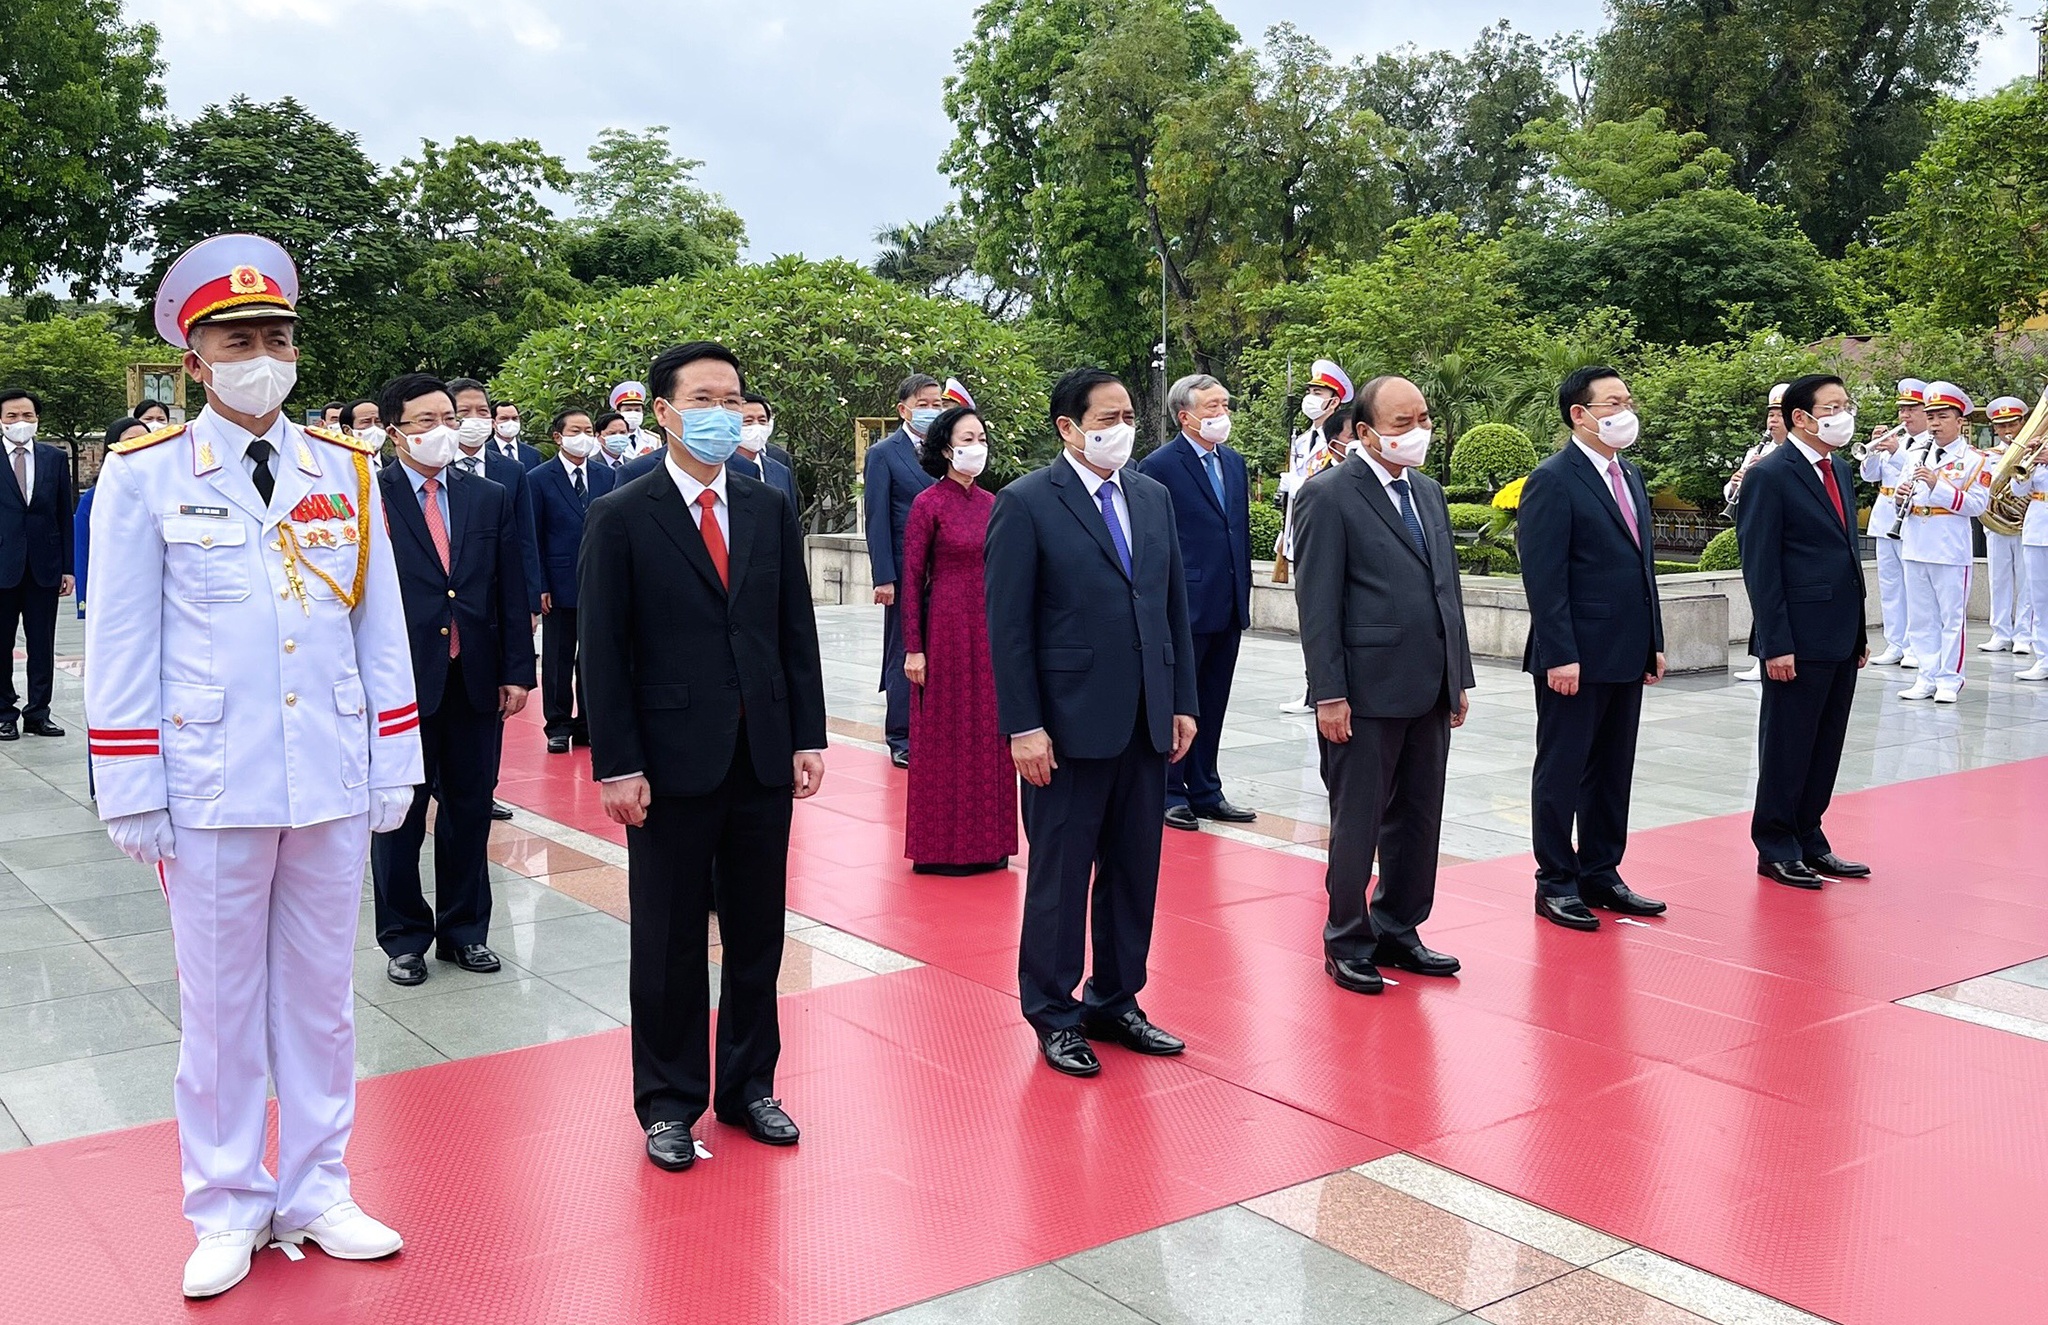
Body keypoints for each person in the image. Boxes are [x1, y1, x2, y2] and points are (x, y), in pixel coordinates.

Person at [86, 233, 422, 1297]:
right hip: (213, 783)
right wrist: (133, 782)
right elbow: (123, 640)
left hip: (324, 769)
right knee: (223, 1005)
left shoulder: (348, 467)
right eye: (238, 339)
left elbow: (380, 628)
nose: (263, 354)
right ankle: (228, 1198)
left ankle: (320, 1183)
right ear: (194, 359)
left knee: (323, 998)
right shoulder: (145, 477)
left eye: (277, 335)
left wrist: (392, 759)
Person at [580, 340, 826, 1170]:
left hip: (761, 751)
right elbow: (602, 651)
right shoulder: (621, 513)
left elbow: (794, 629)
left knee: (758, 932)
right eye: (704, 398)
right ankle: (669, 1101)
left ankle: (750, 1083)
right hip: (668, 760)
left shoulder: (765, 506)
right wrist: (616, 763)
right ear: (664, 411)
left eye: (734, 398)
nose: (722, 413)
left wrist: (808, 733)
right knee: (670, 937)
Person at [985, 367, 1196, 1078]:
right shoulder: (1025, 503)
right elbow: (1008, 627)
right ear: (1068, 428)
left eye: (1129, 414)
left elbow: (1172, 610)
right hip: (1065, 729)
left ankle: (1116, 998)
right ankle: (1053, 1010)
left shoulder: (1153, 497)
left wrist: (1182, 700)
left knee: (1135, 871)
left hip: (1143, 719)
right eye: (1107, 417)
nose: (1122, 428)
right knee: (1061, 876)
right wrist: (1024, 725)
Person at [1292, 375, 1473, 995]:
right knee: (1359, 819)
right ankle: (1347, 939)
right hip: (1363, 692)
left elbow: (1445, 590)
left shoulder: (1427, 492)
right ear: (1365, 432)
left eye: (1422, 418)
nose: (1417, 432)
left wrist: (1458, 676)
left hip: (1428, 684)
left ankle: (1399, 926)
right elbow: (1317, 606)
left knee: (1419, 816)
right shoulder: (1328, 496)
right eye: (1402, 424)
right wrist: (1330, 693)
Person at [370, 373, 535, 985]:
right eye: (424, 421)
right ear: (394, 433)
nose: (442, 429)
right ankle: (404, 937)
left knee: (468, 810)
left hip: (474, 678)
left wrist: (518, 669)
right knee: (401, 815)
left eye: (449, 417)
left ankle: (465, 931)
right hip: (400, 683)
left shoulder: (486, 495)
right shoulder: (368, 494)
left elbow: (508, 588)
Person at [1517, 368, 1668, 931]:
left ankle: (1601, 870)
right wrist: (1560, 653)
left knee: (1611, 768)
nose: (1625, 410)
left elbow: (1643, 567)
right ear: (1579, 414)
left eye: (1627, 400)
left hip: (1626, 650)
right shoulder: (1553, 480)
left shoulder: (1628, 474)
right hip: (1574, 654)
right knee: (1563, 769)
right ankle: (1555, 881)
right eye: (1612, 402)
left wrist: (1653, 640)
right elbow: (1545, 576)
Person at [1735, 374, 1871, 889]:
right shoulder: (1770, 475)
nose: (1843, 414)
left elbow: (1846, 556)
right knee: (1788, 743)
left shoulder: (1836, 466)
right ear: (1801, 418)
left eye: (1845, 403)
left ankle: (1810, 836)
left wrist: (1858, 633)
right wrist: (1776, 643)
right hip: (1796, 636)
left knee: (1824, 743)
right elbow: (1761, 567)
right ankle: (1775, 844)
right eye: (1831, 406)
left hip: (1839, 632)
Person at [899, 399, 1015, 875]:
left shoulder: (996, 503)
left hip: (991, 628)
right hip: (944, 627)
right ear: (945, 449)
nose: (977, 448)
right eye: (968, 440)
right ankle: (940, 847)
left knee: (992, 735)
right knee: (944, 735)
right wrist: (913, 648)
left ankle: (991, 844)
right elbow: (911, 577)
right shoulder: (928, 504)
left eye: (982, 440)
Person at [1137, 373, 1256, 832]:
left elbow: (1235, 531)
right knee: (1177, 700)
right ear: (1185, 416)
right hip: (1185, 602)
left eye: (1225, 405)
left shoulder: (1235, 463)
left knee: (1214, 697)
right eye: (1211, 408)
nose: (1222, 415)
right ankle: (1169, 790)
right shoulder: (1160, 466)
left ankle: (1206, 788)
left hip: (1227, 601)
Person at [449, 377, 541, 821]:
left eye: (481, 412)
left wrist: (529, 599)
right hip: (441, 614)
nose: (475, 421)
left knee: (491, 704)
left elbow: (524, 540)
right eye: (463, 413)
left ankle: (485, 787)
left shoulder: (509, 472)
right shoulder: (429, 466)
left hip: (492, 610)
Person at [865, 374, 942, 767]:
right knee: (903, 650)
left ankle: (934, 725)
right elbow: (876, 516)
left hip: (943, 568)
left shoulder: (946, 448)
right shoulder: (884, 453)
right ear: (904, 409)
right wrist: (884, 576)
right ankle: (901, 734)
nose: (932, 411)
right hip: (904, 568)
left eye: (937, 404)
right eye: (924, 403)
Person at [1898, 381, 1992, 703]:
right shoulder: (1913, 454)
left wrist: (1938, 486)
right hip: (1915, 541)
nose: (1935, 424)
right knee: (1921, 616)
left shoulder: (1976, 460)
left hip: (1949, 546)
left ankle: (1950, 679)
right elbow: (1903, 494)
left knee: (1951, 617)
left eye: (1942, 416)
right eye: (1932, 416)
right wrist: (1901, 499)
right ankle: (1927, 675)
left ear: (1959, 420)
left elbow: (1977, 505)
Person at [530, 407, 614, 752]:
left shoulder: (606, 476)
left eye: (589, 430)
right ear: (558, 437)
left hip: (599, 580)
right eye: (575, 430)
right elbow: (532, 535)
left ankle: (588, 723)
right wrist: (540, 585)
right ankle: (558, 723)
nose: (584, 436)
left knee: (594, 656)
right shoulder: (537, 478)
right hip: (559, 580)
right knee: (558, 658)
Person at [0, 387, 76, 740]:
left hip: (44, 565)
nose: (20, 422)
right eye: (12, 416)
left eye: (27, 416)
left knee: (42, 645)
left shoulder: (53, 458)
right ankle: (4, 712)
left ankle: (38, 713)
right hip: (3, 563)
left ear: (37, 419)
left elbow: (64, 514)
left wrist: (68, 567)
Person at [1276, 359, 1352, 713]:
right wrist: (1284, 532)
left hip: (1331, 537)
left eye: (1318, 392)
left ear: (1334, 401)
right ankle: (1314, 687)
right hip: (1300, 535)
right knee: (1310, 615)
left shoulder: (1341, 439)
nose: (1310, 398)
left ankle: (1328, 688)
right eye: (1309, 391)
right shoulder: (1301, 440)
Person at [1861, 379, 1929, 668]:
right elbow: (1869, 476)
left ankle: (1916, 646)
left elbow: (1918, 472)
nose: (1905, 416)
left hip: (1914, 520)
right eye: (1902, 409)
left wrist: (1895, 451)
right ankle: (1895, 642)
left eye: (1911, 409)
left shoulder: (1932, 442)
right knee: (1889, 585)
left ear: (1927, 411)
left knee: (1913, 586)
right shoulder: (1896, 440)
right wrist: (1874, 450)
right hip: (1884, 518)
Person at [1724, 383, 1788, 682]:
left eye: (1778, 414)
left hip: (1781, 532)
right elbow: (1730, 492)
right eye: (1770, 414)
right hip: (1756, 528)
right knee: (1758, 594)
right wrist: (1738, 481)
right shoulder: (1757, 450)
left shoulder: (1793, 453)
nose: (1772, 420)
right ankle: (1760, 657)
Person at [77, 417, 150, 621]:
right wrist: (84, 598)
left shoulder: (164, 490)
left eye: (147, 439)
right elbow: (84, 551)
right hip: (114, 589)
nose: (140, 445)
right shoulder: (94, 497)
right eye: (130, 439)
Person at [1979, 395, 2032, 655]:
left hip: (2026, 525)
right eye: (2001, 426)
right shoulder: (1987, 455)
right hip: (1998, 525)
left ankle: (2024, 634)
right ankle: (2000, 632)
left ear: (2022, 422)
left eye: (2012, 423)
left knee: (2026, 581)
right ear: (1994, 428)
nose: (2008, 430)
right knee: (1998, 579)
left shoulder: (2034, 453)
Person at [2014, 432, 2048, 681]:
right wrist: (2028, 458)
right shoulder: (2041, 447)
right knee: (2040, 599)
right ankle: (2044, 658)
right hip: (2037, 528)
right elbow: (2018, 489)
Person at [734, 392, 801, 510]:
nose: (757, 426)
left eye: (762, 420)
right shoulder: (717, 468)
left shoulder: (781, 471)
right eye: (748, 421)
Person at [489, 397, 545, 470]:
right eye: (504, 418)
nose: (511, 422)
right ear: (493, 423)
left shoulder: (533, 454)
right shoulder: (484, 451)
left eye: (515, 418)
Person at [609, 380, 660, 456]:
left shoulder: (653, 439)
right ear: (618, 413)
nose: (633, 413)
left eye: (637, 410)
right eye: (628, 410)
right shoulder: (609, 439)